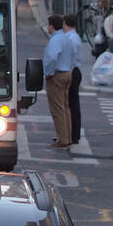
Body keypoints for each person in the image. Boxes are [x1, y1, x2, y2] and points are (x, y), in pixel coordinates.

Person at [42, 14, 75, 149]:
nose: (47, 27)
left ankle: (62, 139)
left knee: (57, 108)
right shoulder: (66, 38)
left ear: (51, 26)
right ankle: (67, 136)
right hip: (67, 72)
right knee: (65, 107)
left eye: (48, 24)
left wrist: (48, 73)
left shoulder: (55, 39)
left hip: (57, 75)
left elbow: (52, 57)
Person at [62, 14, 83, 145]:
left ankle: (73, 134)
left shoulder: (71, 39)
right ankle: (70, 133)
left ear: (65, 24)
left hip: (72, 71)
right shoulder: (73, 37)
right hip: (74, 71)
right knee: (72, 103)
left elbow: (69, 57)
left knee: (71, 104)